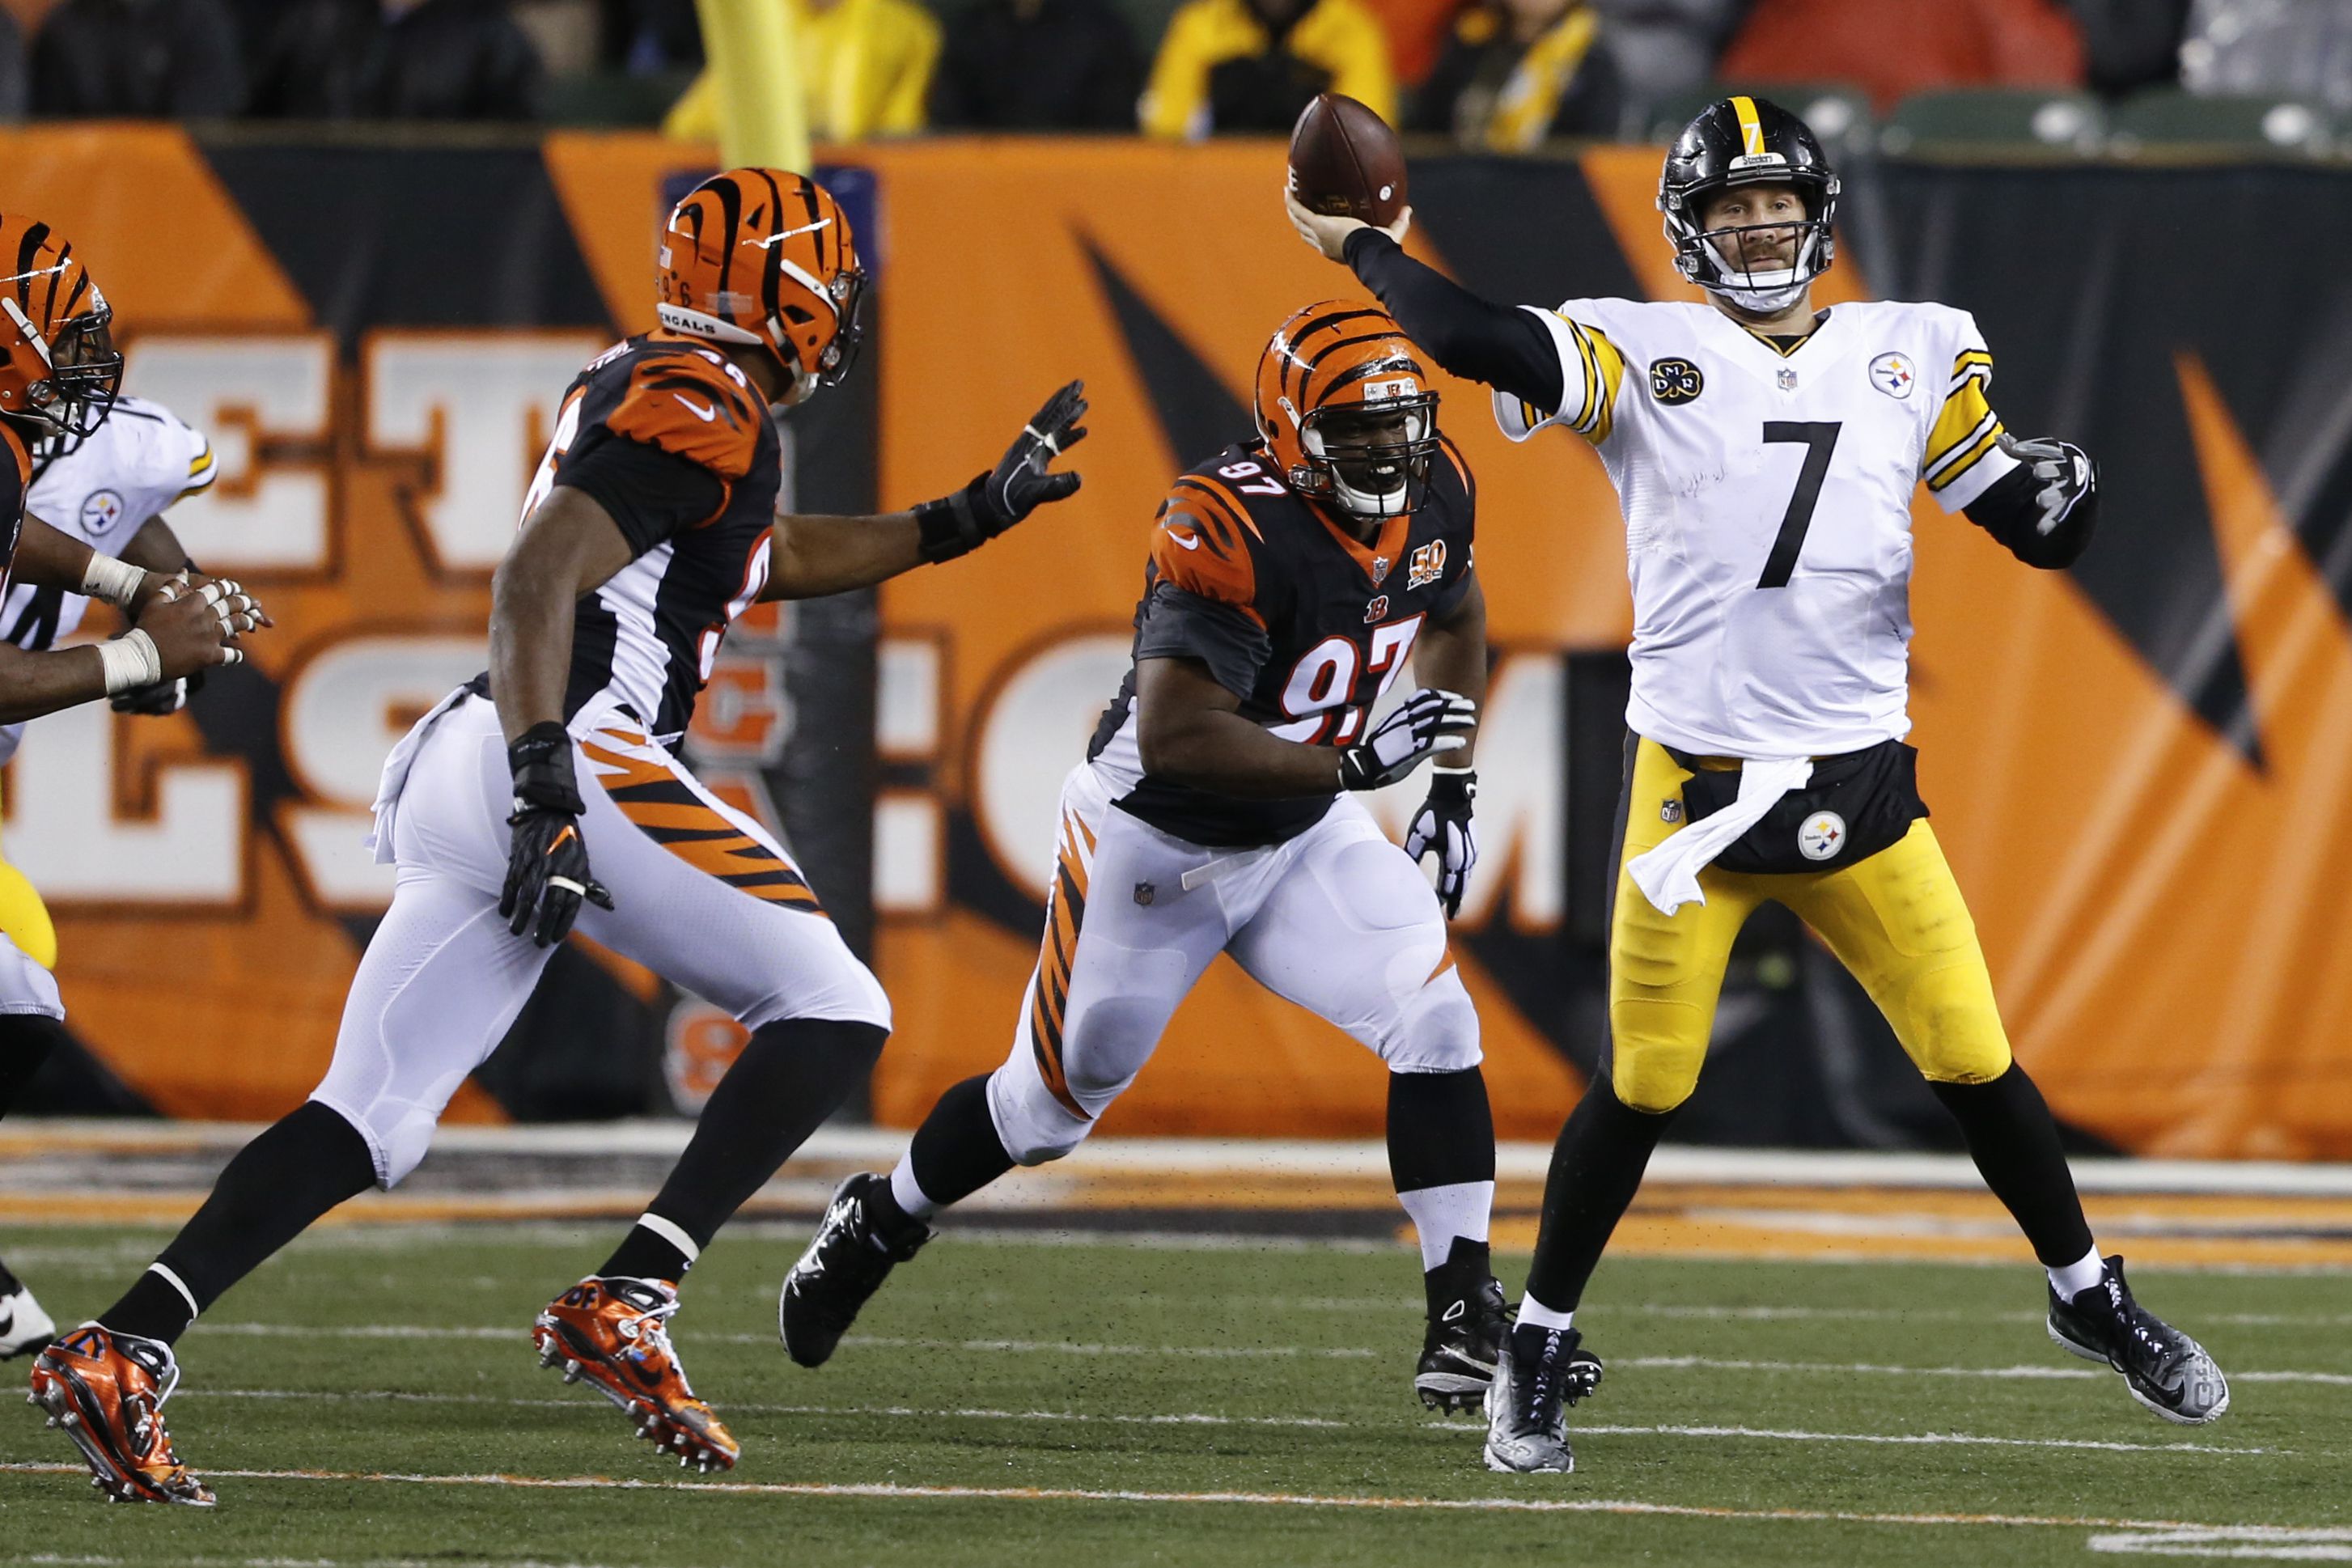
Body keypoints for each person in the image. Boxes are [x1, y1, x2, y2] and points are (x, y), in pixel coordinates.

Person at [29, 168, 1086, 1507]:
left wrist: (960, 518)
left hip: (482, 750)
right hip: (566, 742)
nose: (848, 314)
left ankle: (123, 1344)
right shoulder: (704, 399)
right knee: (833, 1003)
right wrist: (549, 786)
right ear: (789, 289)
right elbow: (536, 572)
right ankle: (631, 1292)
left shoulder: (671, 390)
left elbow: (765, 551)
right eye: (836, 282)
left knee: (373, 1112)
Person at [1286, 95, 2228, 1474]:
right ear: (1688, 228)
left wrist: (2058, 507)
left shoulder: (1911, 348)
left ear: (1816, 212)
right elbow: (1471, 338)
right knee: (1645, 1081)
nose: (1759, 225)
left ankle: (2089, 1294)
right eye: (1731, 209)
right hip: (1699, 793)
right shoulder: (1642, 349)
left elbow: (2019, 523)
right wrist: (1360, 247)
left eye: (1775, 203)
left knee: (1973, 1058)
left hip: (1859, 786)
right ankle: (1537, 1337)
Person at [778, 299, 1511, 1414]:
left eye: (1399, 424)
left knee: (1435, 1018)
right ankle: (879, 1217)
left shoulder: (1438, 483)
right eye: (1353, 430)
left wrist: (1449, 778)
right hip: (1156, 840)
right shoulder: (1224, 520)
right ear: (1287, 431)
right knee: (1046, 1110)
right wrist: (1359, 768)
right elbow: (1178, 730)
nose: (1385, 451)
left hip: (1300, 828)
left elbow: (1452, 607)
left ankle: (1460, 1313)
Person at [0, 217, 260, 1365]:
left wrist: (154, 589)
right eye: (61, 340)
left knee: (16, 981)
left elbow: (69, 515)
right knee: (15, 996)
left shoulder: (75, 445)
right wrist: (143, 652)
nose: (86, 371)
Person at [662, 0, 939, 142]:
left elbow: (901, 134)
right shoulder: (762, 20)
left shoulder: (906, 31)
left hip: (851, 183)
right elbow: (688, 130)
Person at [1140, 0, 1395, 139]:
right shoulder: (1201, 26)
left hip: (1315, 193)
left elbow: (1367, 141)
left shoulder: (1352, 30)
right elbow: (1165, 132)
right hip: (1214, 183)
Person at [248, 0, 544, 120]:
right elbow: (253, 127)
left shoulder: (488, 34)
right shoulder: (314, 21)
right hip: (321, 219)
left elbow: (514, 164)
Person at [1409, 0, 1620, 149]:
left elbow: (1595, 149)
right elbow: (1428, 126)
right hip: (1459, 183)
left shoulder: (1593, 61)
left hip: (1549, 194)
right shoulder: (1470, 39)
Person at [927, 0, 1142, 131]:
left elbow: (1113, 127)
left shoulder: (1101, 31)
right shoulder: (972, 28)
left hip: (1075, 181)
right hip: (984, 178)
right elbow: (948, 119)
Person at [31, 0, 248, 117]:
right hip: (85, 181)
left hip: (180, 180)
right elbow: (50, 132)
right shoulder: (64, 27)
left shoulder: (199, 21)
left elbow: (205, 130)